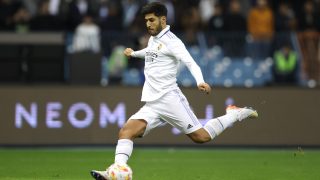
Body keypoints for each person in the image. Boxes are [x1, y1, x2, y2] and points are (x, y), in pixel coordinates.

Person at [91, 2, 258, 179]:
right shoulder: (153, 38)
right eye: (146, 20)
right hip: (153, 103)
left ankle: (234, 114)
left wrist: (200, 81)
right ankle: (116, 172)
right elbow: (151, 52)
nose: (148, 24)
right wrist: (134, 54)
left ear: (163, 19)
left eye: (152, 20)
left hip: (170, 99)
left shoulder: (173, 42)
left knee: (201, 137)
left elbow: (190, 62)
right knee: (126, 131)